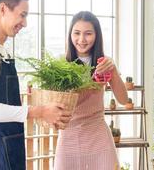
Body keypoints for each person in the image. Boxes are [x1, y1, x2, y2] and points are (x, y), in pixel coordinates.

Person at [0, 0, 72, 170]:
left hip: (5, 146)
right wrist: (38, 111)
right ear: (3, 9)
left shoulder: (0, 48)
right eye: (22, 14)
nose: (25, 23)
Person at [54, 11, 128, 170]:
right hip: (68, 137)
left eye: (88, 33)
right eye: (77, 33)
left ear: (97, 35)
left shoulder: (104, 62)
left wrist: (113, 70)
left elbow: (123, 99)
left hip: (98, 136)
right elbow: (54, 102)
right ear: (70, 35)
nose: (81, 40)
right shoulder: (61, 64)